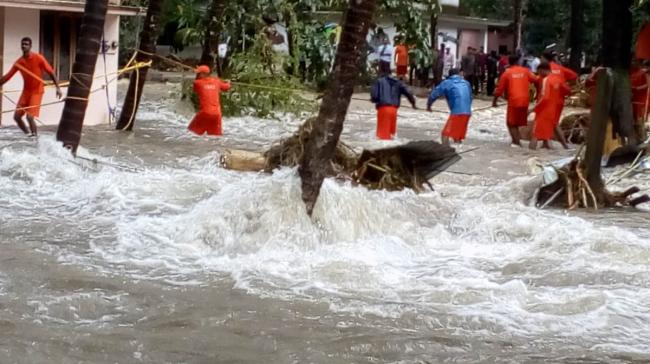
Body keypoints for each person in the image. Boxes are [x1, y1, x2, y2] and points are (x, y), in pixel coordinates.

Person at [0, 37, 62, 136]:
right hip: (26, 92)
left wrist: (58, 88)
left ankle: (34, 137)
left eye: (26, 44)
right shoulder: (19, 62)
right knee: (16, 117)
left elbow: (51, 72)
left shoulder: (39, 58)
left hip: (37, 91)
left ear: (30, 46)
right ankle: (28, 135)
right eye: (22, 44)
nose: (24, 46)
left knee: (29, 117)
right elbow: (7, 76)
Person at [493, 54, 538, 146]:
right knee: (516, 123)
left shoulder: (507, 73)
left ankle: (517, 143)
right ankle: (516, 141)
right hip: (525, 101)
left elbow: (499, 90)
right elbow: (537, 80)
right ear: (518, 62)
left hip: (514, 101)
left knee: (510, 123)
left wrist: (494, 102)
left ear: (509, 62)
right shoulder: (526, 71)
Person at [529, 61, 571, 150]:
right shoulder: (557, 79)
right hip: (553, 110)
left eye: (539, 72)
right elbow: (567, 90)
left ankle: (528, 156)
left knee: (535, 134)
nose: (539, 75)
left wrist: (532, 109)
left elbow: (545, 98)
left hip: (544, 111)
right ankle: (566, 147)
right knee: (553, 127)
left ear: (543, 70)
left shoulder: (546, 80)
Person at [427, 68, 473, 146]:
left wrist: (429, 105)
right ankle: (459, 151)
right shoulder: (466, 83)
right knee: (457, 136)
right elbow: (470, 97)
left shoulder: (447, 83)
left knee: (445, 135)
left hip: (457, 112)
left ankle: (446, 153)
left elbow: (434, 94)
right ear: (459, 74)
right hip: (467, 112)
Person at [370, 70, 417, 140]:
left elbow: (374, 96)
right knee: (391, 136)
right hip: (394, 110)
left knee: (382, 137)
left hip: (383, 109)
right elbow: (409, 93)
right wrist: (413, 104)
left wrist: (373, 100)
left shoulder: (379, 81)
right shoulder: (399, 83)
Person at [188, 65, 231, 136]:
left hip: (204, 113)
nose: (197, 75)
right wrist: (228, 82)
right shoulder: (217, 81)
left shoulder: (197, 83)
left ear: (203, 74)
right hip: (217, 114)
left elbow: (195, 89)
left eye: (199, 73)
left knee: (191, 134)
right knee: (215, 137)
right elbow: (227, 87)